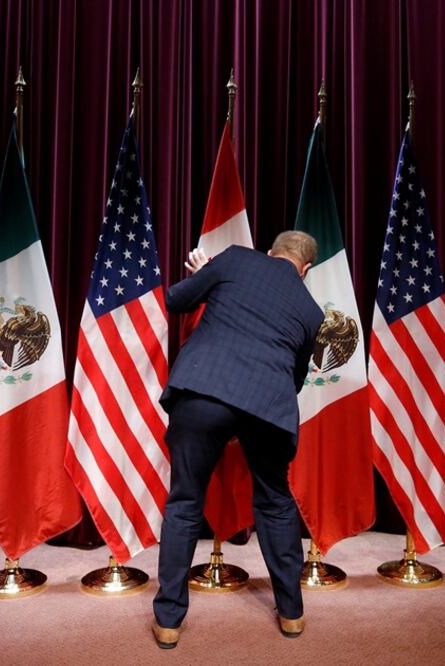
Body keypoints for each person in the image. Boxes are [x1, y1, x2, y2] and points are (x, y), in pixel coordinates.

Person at [151, 230, 325, 649]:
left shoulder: (232, 259)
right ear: (306, 269)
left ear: (270, 252)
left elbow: (176, 300)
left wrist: (205, 274)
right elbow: (295, 380)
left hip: (204, 390)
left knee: (185, 502)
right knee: (275, 502)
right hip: (268, 406)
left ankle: (169, 620)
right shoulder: (312, 311)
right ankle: (292, 613)